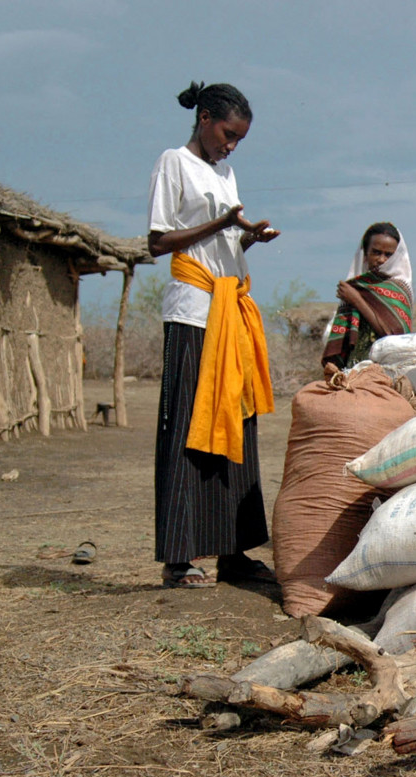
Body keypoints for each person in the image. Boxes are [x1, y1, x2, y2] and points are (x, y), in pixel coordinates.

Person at [147, 81, 280, 588]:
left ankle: (234, 551)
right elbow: (158, 241)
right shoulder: (173, 163)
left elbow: (224, 239)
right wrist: (221, 222)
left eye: (239, 140)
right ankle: (178, 559)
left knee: (236, 426)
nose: (231, 145)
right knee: (187, 428)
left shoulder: (225, 172)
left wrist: (247, 236)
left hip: (230, 313)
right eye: (227, 134)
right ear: (204, 118)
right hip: (194, 314)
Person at [322, 222, 413, 374]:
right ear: (365, 254)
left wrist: (356, 300)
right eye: (376, 253)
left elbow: (395, 337)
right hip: (353, 367)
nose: (382, 260)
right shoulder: (357, 286)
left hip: (386, 369)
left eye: (388, 255)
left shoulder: (399, 289)